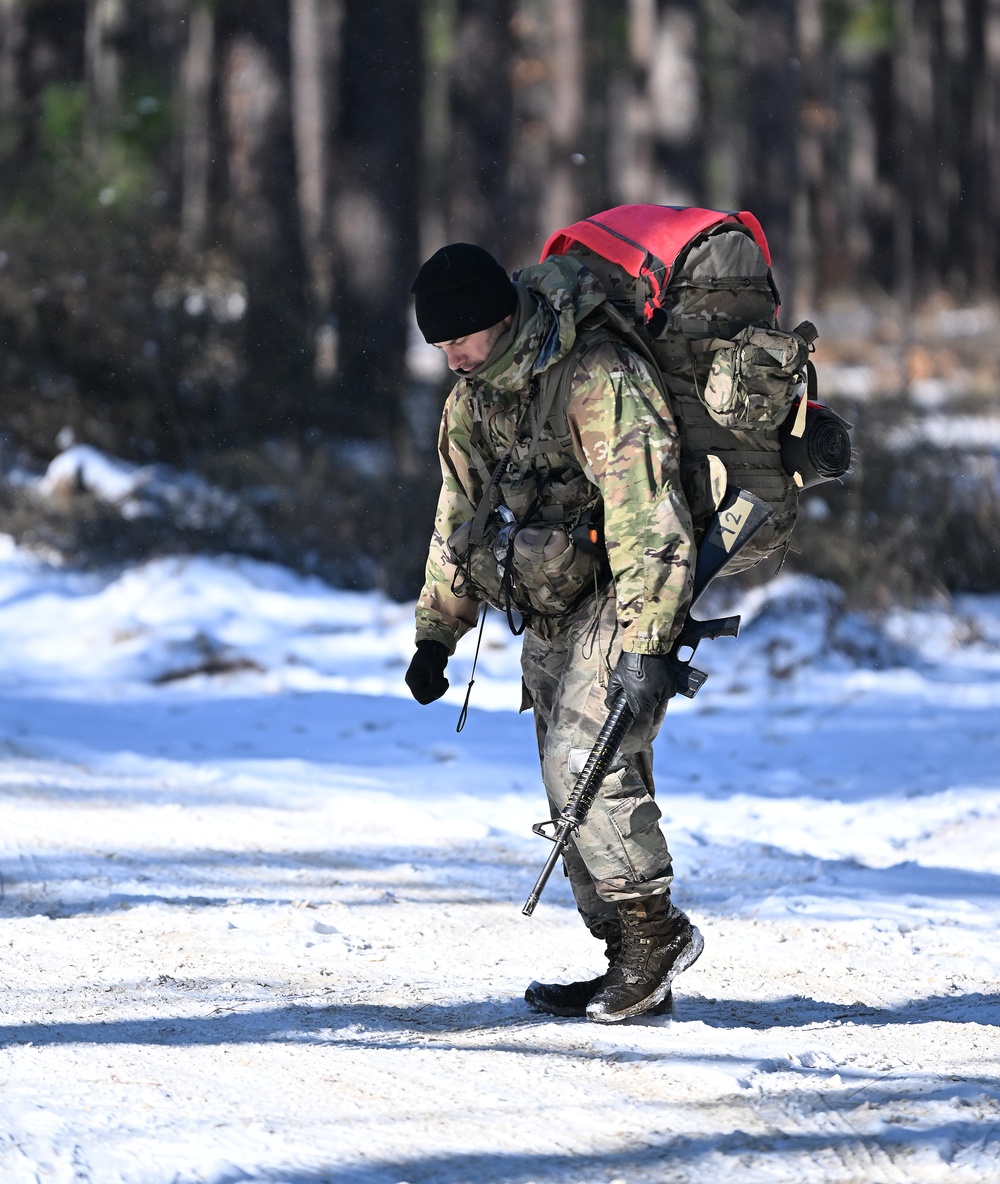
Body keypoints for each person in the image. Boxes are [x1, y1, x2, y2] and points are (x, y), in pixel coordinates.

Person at [403, 242, 704, 1023]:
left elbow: (649, 511)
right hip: (551, 599)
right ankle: (625, 961)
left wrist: (649, 641)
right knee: (561, 781)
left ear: (499, 318)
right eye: (439, 347)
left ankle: (656, 939)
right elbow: (457, 515)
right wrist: (437, 631)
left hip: (623, 593)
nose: (450, 358)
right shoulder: (475, 398)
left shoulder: (596, 375)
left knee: (588, 760)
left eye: (458, 340)